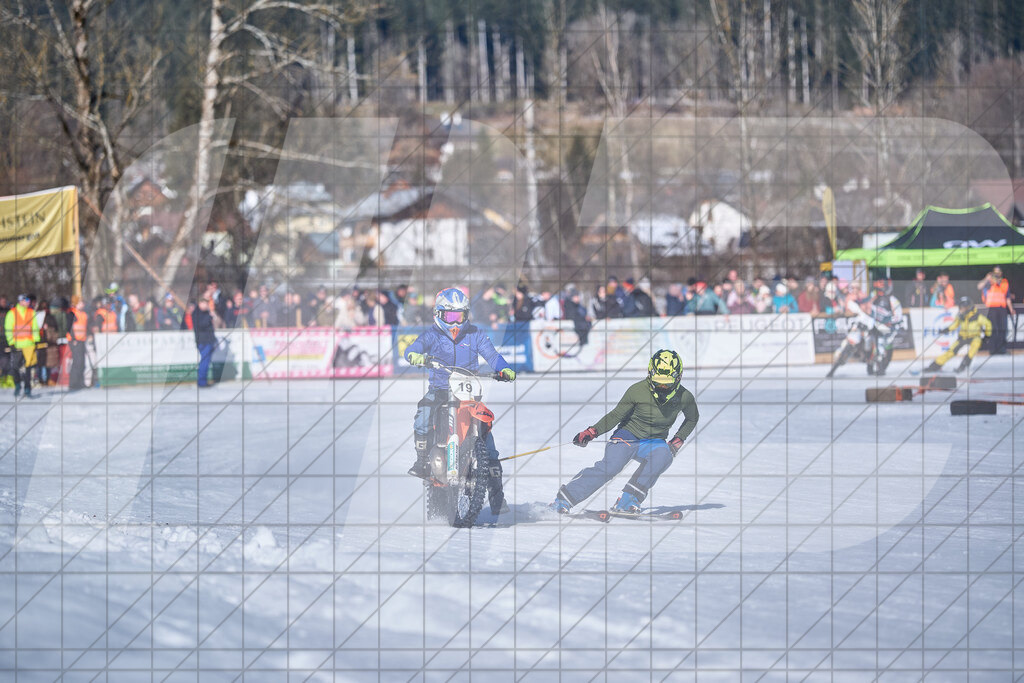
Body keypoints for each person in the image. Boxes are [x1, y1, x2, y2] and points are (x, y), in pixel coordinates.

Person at [403, 288, 517, 511]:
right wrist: (415, 355)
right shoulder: (432, 335)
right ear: (439, 315)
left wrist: (503, 368)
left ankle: (497, 498)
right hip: (441, 390)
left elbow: (492, 355)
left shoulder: (475, 334)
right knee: (423, 414)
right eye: (451, 317)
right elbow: (413, 348)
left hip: (469, 394)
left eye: (460, 316)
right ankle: (422, 461)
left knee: (489, 445)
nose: (456, 323)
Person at [552, 349, 699, 514]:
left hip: (654, 441)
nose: (662, 387)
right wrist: (592, 431)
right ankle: (563, 500)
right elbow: (615, 415)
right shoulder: (637, 390)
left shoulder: (684, 396)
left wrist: (678, 439)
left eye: (667, 383)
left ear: (678, 377)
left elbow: (692, 418)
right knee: (611, 467)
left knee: (664, 455)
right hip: (627, 436)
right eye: (658, 382)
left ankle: (628, 500)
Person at [923, 297, 992, 373]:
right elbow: (955, 325)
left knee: (974, 348)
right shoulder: (960, 316)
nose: (961, 309)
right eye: (960, 307)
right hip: (962, 337)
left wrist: (987, 336)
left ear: (968, 307)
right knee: (950, 352)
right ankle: (934, 366)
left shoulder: (978, 317)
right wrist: (946, 329)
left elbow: (988, 324)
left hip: (975, 337)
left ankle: (963, 365)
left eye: (963, 307)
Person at [4, 294, 40, 398]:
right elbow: (8, 329)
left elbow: (35, 328)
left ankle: (27, 389)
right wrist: (11, 343)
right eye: (26, 300)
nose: (28, 302)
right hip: (17, 345)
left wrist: (36, 340)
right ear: (21, 301)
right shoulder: (12, 313)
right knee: (15, 367)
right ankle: (18, 385)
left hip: (29, 344)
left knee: (28, 368)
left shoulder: (31, 312)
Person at [978, 266, 1012, 354]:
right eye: (995, 272)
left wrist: (1011, 309)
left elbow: (1007, 297)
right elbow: (979, 286)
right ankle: (993, 350)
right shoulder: (989, 282)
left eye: (998, 272)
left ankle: (1002, 350)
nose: (997, 273)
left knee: (1003, 329)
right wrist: (986, 278)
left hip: (1002, 308)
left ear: (1001, 273)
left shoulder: (1004, 282)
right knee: (993, 329)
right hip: (991, 308)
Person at [193, 297, 218, 388]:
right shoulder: (197, 313)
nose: (206, 306)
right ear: (200, 303)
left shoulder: (205, 313)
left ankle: (203, 380)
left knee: (206, 361)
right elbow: (202, 324)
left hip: (209, 340)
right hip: (203, 341)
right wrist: (210, 316)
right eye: (205, 303)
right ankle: (202, 382)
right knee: (204, 361)